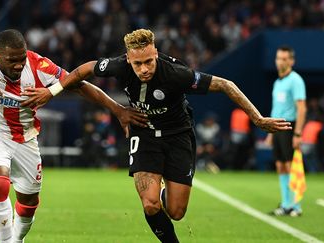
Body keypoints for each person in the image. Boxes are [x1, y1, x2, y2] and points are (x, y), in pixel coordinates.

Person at [27, 29, 292, 242]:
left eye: (149, 61)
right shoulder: (119, 66)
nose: (144, 69)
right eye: (138, 63)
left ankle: (166, 190)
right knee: (151, 204)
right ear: (129, 59)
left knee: (176, 212)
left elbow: (226, 84)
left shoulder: (177, 74)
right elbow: (84, 70)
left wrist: (258, 118)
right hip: (144, 135)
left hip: (178, 135)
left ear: (156, 53)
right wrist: (52, 92)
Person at [0, 29, 147, 243]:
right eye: (12, 60)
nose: (18, 65)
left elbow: (78, 85)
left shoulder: (38, 65)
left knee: (29, 202)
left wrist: (118, 109)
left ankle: (16, 240)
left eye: (21, 58)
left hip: (26, 139)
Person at [266, 45, 307, 217]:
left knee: (291, 165)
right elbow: (276, 109)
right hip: (277, 128)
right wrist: (270, 133)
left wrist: (298, 134)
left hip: (289, 127)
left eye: (284, 58)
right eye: (278, 58)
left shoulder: (295, 80)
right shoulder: (278, 82)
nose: (280, 61)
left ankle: (296, 206)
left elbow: (302, 108)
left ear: (291, 61)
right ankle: (285, 204)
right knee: (280, 165)